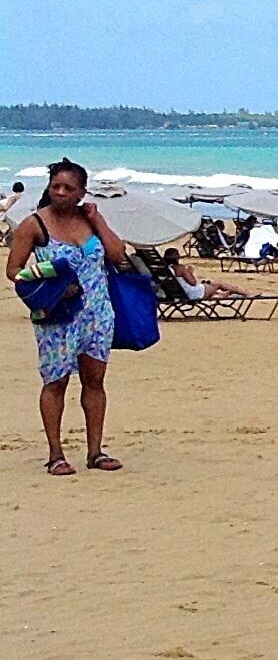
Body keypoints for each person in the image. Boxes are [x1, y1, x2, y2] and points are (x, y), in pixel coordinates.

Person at [7, 157, 133, 476]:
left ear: (81, 193)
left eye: (68, 188)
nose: (60, 192)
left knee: (95, 380)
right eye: (55, 186)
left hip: (97, 313)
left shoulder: (90, 220)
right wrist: (53, 284)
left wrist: (99, 220)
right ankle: (56, 454)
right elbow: (13, 271)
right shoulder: (34, 224)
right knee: (56, 381)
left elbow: (119, 257)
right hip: (56, 316)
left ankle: (95, 451)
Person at [168, 258, 259, 305]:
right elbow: (193, 282)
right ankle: (246, 293)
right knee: (218, 283)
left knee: (214, 291)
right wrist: (190, 272)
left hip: (176, 294)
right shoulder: (179, 268)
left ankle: (223, 294)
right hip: (192, 294)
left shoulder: (165, 270)